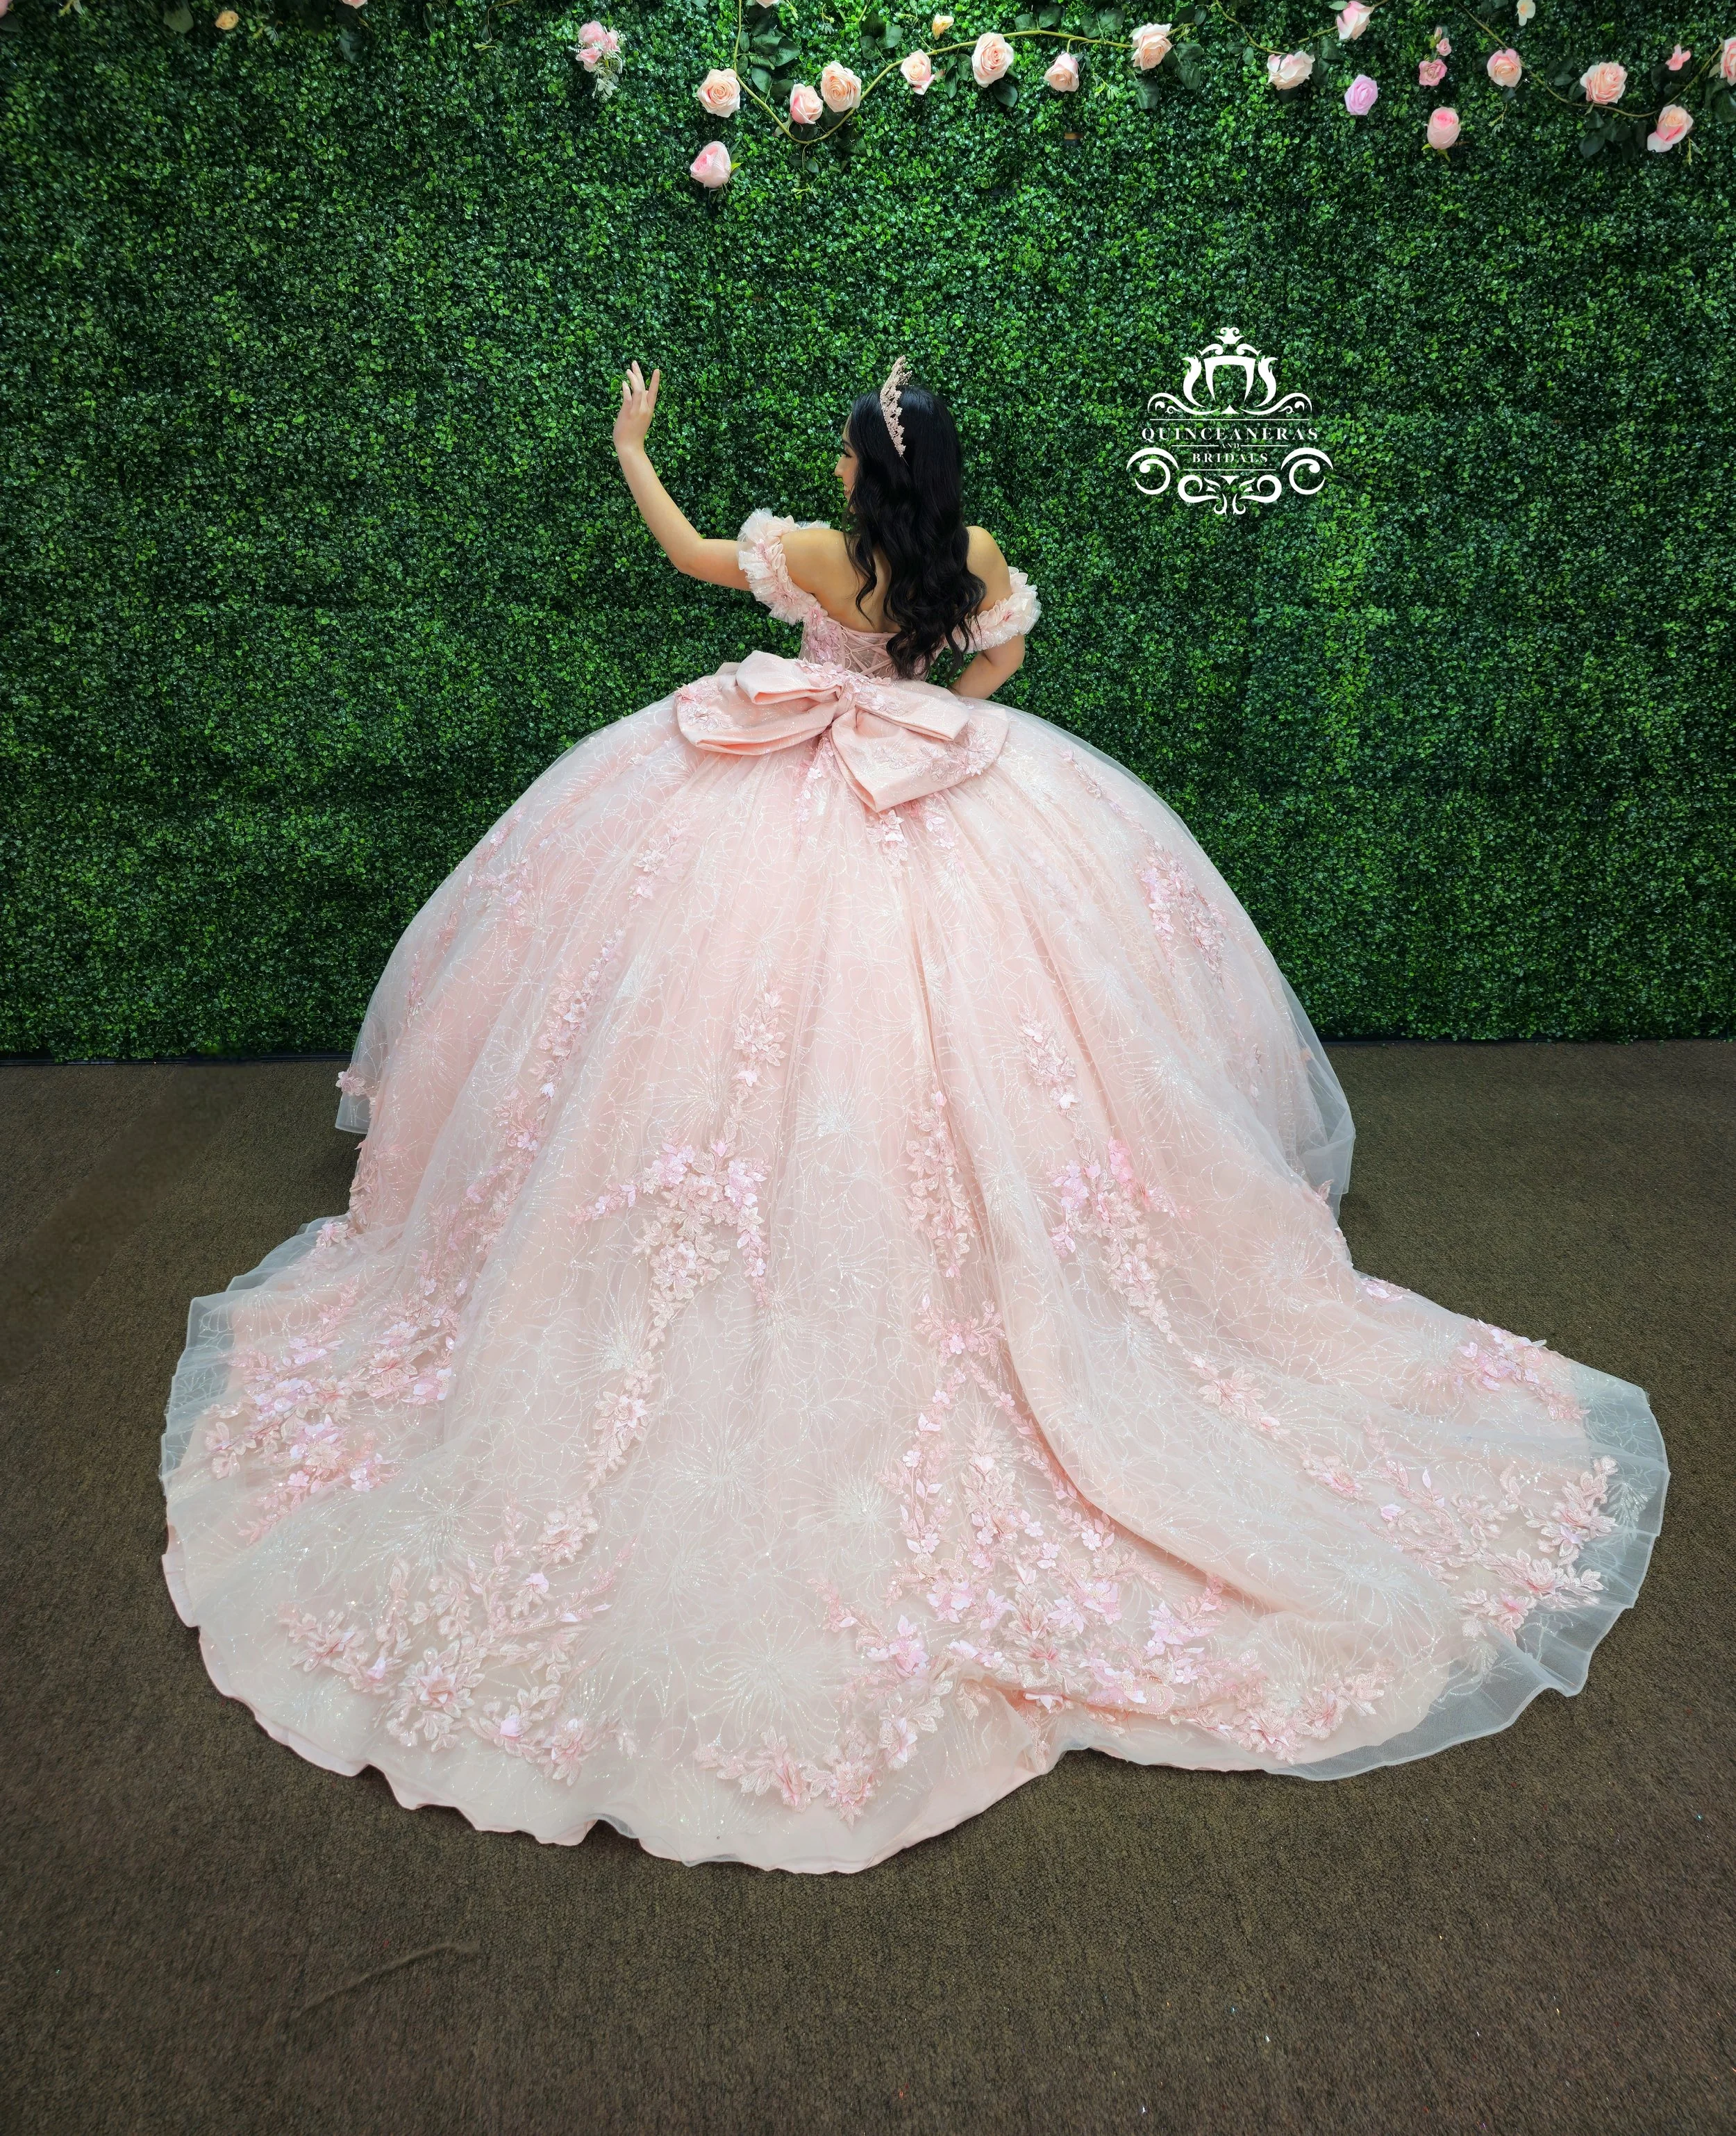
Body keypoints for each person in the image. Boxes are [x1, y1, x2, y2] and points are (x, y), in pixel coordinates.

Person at [160, 360, 1667, 1876]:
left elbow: (689, 551)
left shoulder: (818, 560)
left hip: (784, 795)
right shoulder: (976, 559)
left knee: (719, 1039)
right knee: (989, 1063)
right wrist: (928, 714)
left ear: (853, 476)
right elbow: (1003, 660)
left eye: (835, 447)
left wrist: (634, 447)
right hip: (928, 787)